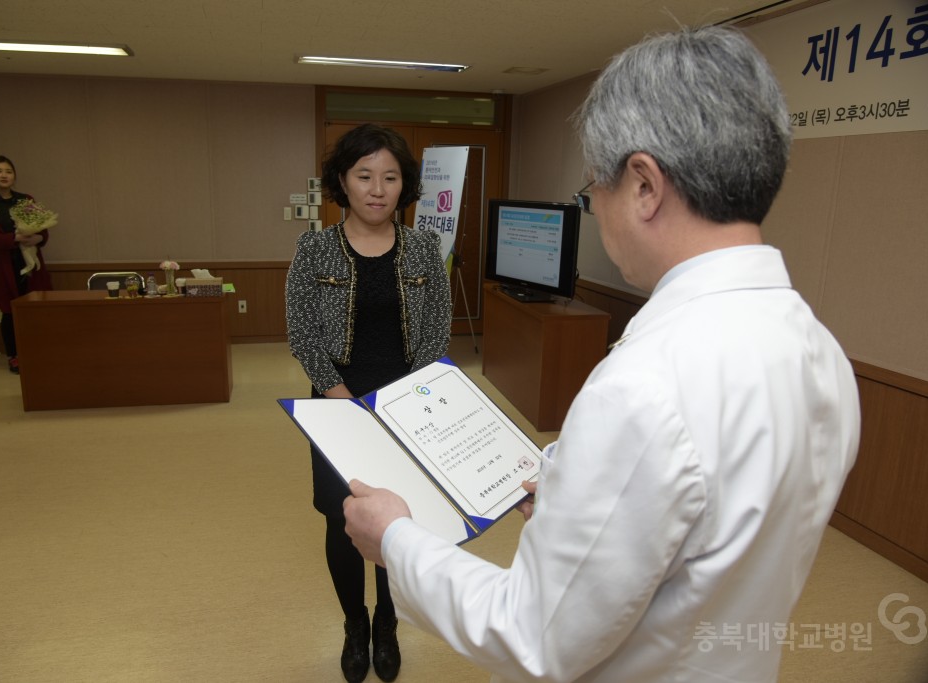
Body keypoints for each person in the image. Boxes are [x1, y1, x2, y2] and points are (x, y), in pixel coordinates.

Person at [343, 26, 860, 683]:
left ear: (644, 185)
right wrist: (572, 488)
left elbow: (532, 632)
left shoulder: (646, 387)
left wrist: (395, 537)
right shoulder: (819, 349)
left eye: (595, 190)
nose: (596, 209)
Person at [285, 123, 452, 682]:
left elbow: (436, 331)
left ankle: (387, 623)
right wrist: (345, 401)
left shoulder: (426, 247)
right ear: (342, 182)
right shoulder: (314, 248)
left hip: (407, 406)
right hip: (336, 403)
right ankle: (354, 623)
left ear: (404, 186)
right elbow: (303, 334)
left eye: (390, 177)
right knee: (342, 516)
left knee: (396, 520)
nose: (377, 188)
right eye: (364, 176)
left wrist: (402, 403)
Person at [0, 155, 52, 374]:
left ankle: (38, 350)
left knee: (35, 308)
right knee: (9, 312)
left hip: (31, 261)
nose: (4, 175)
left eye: (8, 171)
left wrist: (38, 238)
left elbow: (42, 230)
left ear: (14, 175)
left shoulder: (25, 199)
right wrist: (14, 239)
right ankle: (14, 355)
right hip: (4, 265)